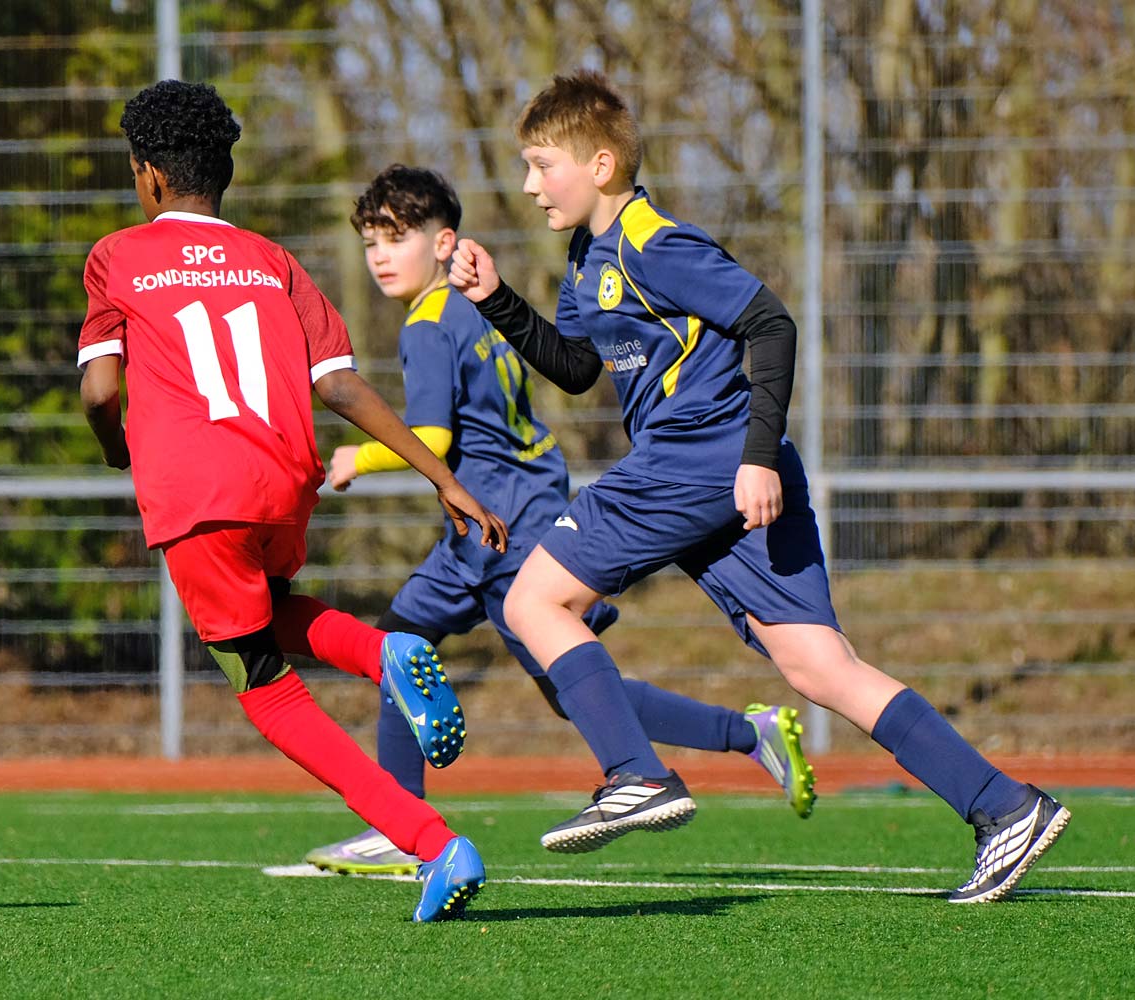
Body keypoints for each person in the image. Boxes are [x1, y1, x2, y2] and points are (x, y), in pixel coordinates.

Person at [447, 70, 1069, 902]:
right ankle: (1005, 807)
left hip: (700, 457)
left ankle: (636, 773)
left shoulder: (655, 243)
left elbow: (770, 322)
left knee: (532, 602)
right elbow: (578, 366)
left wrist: (757, 454)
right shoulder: (588, 256)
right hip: (719, 470)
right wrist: (495, 300)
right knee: (819, 666)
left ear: (600, 164)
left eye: (541, 165)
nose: (528, 185)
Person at [304, 164, 816, 877]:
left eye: (396, 238)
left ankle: (399, 821)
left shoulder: (426, 325)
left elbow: (434, 438)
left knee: (421, 654)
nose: (380, 256)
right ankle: (745, 731)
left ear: (444, 242)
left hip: (494, 528)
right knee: (485, 666)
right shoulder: (469, 310)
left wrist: (356, 455)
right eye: (370, 243)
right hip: (514, 509)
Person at [77, 80, 508, 921]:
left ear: (149, 175)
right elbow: (340, 386)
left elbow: (100, 390)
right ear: (223, 173)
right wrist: (444, 478)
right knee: (268, 611)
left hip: (197, 492)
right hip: (284, 480)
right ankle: (384, 653)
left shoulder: (117, 255)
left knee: (265, 685)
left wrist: (114, 449)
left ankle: (430, 842)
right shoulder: (274, 261)